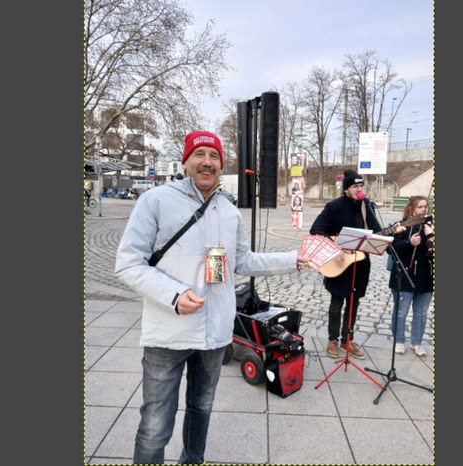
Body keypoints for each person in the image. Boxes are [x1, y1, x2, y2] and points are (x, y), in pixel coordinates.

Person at [115, 130, 310, 465]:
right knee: (154, 426)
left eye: (214, 156)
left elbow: (244, 261)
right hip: (168, 334)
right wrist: (174, 295)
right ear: (186, 161)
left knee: (200, 411)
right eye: (200, 154)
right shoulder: (156, 200)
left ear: (221, 164)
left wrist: (293, 259)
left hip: (215, 335)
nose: (207, 162)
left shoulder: (229, 211)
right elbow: (128, 263)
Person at [309, 170, 384, 359]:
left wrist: (393, 235)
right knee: (336, 303)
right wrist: (335, 249)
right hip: (339, 263)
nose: (359, 189)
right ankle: (332, 340)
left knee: (354, 303)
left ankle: (347, 340)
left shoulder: (368, 206)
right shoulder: (334, 206)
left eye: (361, 186)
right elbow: (316, 230)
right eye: (355, 186)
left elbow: (376, 232)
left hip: (360, 264)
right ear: (346, 190)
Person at [387, 195, 434, 357]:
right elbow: (390, 249)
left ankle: (417, 342)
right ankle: (399, 340)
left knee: (421, 312)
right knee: (401, 311)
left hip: (426, 277)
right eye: (420, 207)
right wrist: (409, 243)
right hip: (405, 275)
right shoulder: (402, 226)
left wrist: (430, 235)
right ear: (411, 209)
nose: (424, 210)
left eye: (426, 207)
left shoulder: (431, 227)